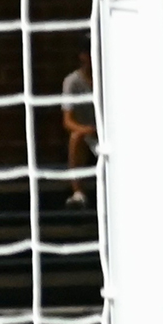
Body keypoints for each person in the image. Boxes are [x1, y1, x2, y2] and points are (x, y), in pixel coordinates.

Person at [61, 43, 96, 206]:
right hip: (87, 135)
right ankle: (78, 192)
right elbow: (68, 121)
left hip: (110, 133)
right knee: (76, 137)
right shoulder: (72, 81)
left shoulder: (109, 77)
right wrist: (87, 129)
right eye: (87, 52)